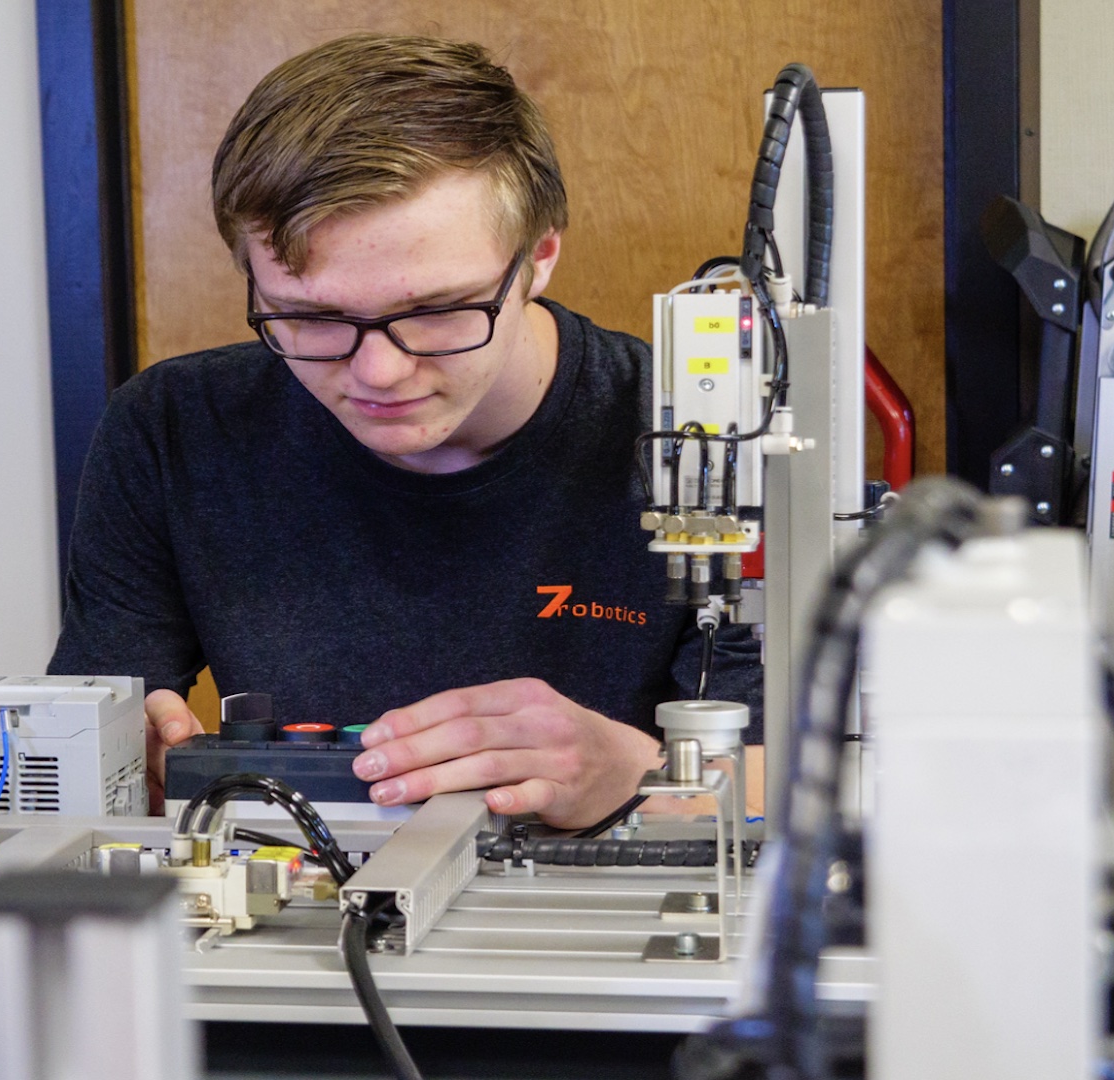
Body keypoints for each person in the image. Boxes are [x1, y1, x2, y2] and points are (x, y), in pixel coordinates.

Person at [47, 32, 763, 829]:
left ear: (538, 257)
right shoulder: (172, 430)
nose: (379, 372)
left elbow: (814, 786)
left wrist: (633, 774)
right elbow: (90, 738)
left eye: (435, 311)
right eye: (311, 317)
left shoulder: (710, 444)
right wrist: (122, 765)